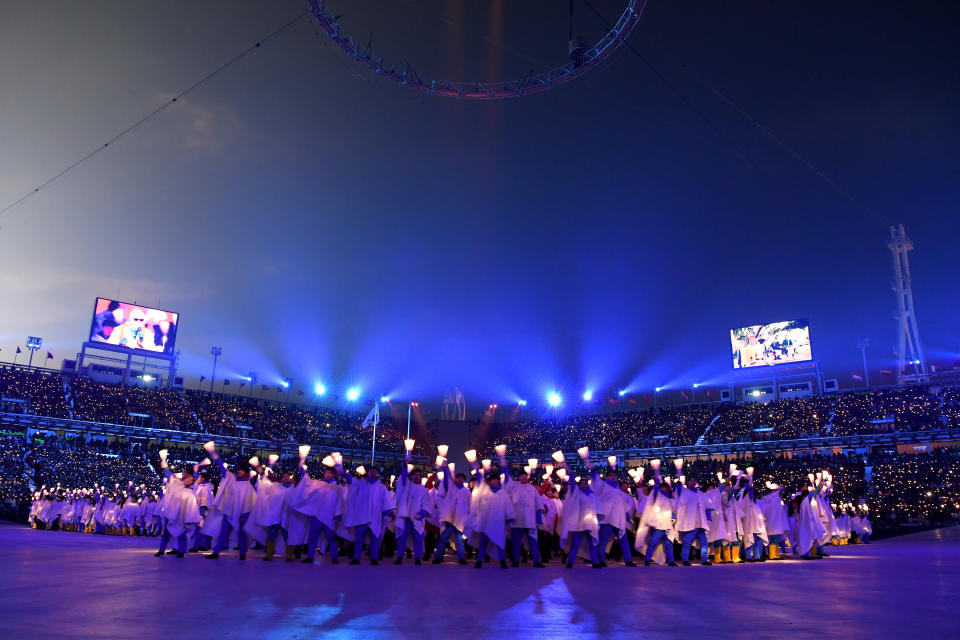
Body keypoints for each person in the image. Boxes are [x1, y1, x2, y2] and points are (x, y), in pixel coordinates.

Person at [204, 447, 257, 560]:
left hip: (241, 515)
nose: (239, 471)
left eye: (242, 470)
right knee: (223, 534)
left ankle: (242, 554)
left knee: (242, 535)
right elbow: (222, 469)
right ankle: (216, 552)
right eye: (239, 470)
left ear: (246, 473)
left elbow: (250, 502)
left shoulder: (248, 486)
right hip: (228, 513)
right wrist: (214, 453)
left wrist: (245, 515)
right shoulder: (232, 480)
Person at [289, 459, 345, 564]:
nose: (328, 475)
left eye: (331, 473)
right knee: (312, 537)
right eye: (327, 473)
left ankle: (334, 557)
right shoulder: (318, 484)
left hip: (330, 517)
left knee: (331, 538)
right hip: (317, 515)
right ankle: (310, 557)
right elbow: (307, 481)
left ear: (334, 475)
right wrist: (302, 469)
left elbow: (341, 502)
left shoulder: (338, 487)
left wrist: (338, 515)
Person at [464, 462, 516, 569]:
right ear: (490, 481)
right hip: (486, 523)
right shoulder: (485, 492)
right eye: (493, 479)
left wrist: (509, 518)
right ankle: (479, 561)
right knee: (483, 543)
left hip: (499, 522)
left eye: (497, 479)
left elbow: (508, 506)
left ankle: (502, 562)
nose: (495, 481)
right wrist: (476, 467)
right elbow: (479, 480)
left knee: (500, 542)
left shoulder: (503, 494)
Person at [341, 466, 394, 565]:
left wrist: (386, 515)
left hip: (375, 518)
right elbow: (349, 478)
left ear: (377, 474)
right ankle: (356, 558)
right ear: (368, 473)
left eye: (375, 472)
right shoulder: (360, 483)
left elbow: (386, 502)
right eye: (371, 471)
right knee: (358, 539)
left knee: (375, 539)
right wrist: (341, 469)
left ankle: (374, 558)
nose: (373, 473)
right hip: (362, 517)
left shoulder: (382, 487)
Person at [501, 452, 545, 568]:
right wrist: (503, 462)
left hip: (530, 521)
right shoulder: (514, 486)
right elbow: (507, 476)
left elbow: (538, 504)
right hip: (517, 521)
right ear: (519, 477)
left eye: (525, 475)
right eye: (522, 475)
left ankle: (536, 561)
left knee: (533, 541)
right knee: (516, 542)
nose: (524, 477)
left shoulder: (532, 489)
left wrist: (539, 518)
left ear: (528, 476)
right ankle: (516, 561)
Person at [589, 462, 636, 567]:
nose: (613, 478)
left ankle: (628, 560)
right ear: (607, 477)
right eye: (611, 476)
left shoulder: (618, 492)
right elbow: (596, 482)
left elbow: (625, 505)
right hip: (606, 520)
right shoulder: (603, 487)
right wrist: (591, 468)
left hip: (618, 520)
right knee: (603, 541)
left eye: (615, 476)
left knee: (624, 541)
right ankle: (601, 560)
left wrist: (627, 515)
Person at [557, 463, 604, 569]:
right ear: (579, 485)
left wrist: (599, 522)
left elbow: (599, 509)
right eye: (582, 483)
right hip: (579, 524)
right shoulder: (577, 494)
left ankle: (595, 562)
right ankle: (570, 562)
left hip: (591, 524)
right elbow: (572, 483)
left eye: (585, 483)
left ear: (588, 484)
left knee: (593, 544)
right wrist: (569, 470)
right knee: (575, 544)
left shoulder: (593, 496)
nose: (584, 484)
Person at [154, 464, 200, 558]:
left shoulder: (190, 492)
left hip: (181, 516)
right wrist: (164, 464)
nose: (184, 474)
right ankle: (161, 550)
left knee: (181, 533)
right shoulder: (177, 484)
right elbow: (168, 476)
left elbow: (191, 506)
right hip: (171, 514)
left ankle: (181, 551)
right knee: (166, 532)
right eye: (184, 472)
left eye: (185, 472)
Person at [394, 453, 431, 565]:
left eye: (419, 475)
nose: (417, 477)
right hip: (406, 517)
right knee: (402, 538)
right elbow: (403, 477)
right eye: (415, 475)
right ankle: (399, 557)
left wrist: (423, 512)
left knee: (418, 538)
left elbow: (426, 503)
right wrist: (405, 464)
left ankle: (417, 558)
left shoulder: (424, 490)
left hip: (417, 517)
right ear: (412, 476)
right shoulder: (407, 485)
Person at [432, 464, 470, 565]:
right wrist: (445, 469)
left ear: (464, 480)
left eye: (462, 478)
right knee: (444, 538)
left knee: (460, 540)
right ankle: (438, 557)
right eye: (459, 478)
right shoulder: (450, 488)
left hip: (461, 520)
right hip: (450, 519)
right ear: (456, 479)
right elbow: (445, 482)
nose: (460, 480)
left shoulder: (467, 492)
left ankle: (461, 558)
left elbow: (470, 505)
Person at [674, 472, 712, 566]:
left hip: (701, 523)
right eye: (691, 480)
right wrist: (678, 478)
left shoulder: (701, 494)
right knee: (687, 543)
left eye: (694, 480)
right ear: (688, 482)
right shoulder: (684, 491)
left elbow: (708, 505)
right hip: (690, 522)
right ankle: (685, 560)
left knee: (704, 543)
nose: (693, 481)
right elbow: (678, 488)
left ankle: (704, 560)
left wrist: (709, 518)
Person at [189, 469, 214, 552]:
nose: (198, 478)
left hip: (202, 511)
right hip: (204, 511)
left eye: (200, 477)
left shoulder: (204, 488)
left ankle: (196, 547)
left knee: (198, 529)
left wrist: (201, 512)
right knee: (204, 529)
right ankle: (206, 545)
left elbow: (204, 501)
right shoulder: (202, 486)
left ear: (203, 478)